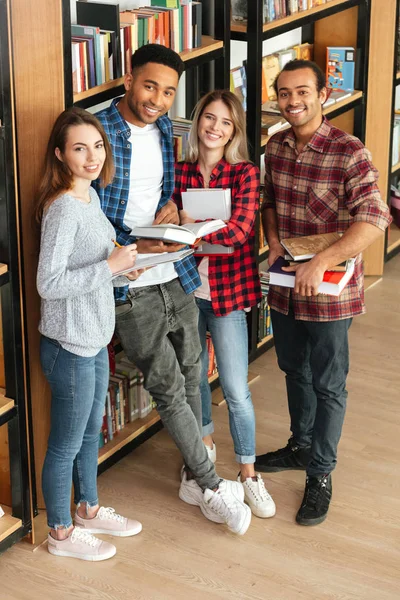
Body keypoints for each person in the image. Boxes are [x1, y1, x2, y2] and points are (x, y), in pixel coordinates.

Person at [93, 44, 251, 535]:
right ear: (127, 79)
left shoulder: (165, 129)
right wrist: (121, 250)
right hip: (130, 283)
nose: (158, 99)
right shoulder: (96, 132)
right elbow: (82, 206)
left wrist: (167, 208)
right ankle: (209, 485)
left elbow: (162, 191)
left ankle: (192, 480)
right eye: (149, 86)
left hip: (175, 271)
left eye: (168, 92)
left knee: (191, 375)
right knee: (166, 386)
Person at [255, 59, 391, 526]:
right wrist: (272, 241)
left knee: (328, 382)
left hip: (331, 290)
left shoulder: (350, 152)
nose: (292, 101)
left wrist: (321, 262)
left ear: (323, 94)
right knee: (293, 368)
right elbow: (268, 201)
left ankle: (321, 472)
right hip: (286, 286)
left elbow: (375, 219)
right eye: (284, 93)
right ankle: (300, 445)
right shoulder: (274, 146)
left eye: (302, 92)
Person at [36, 107, 147, 560]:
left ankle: (88, 507)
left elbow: (96, 271)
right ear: (61, 155)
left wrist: (124, 272)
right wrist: (110, 266)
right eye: (79, 148)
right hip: (70, 346)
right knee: (65, 443)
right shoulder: (63, 208)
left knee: (87, 436)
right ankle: (60, 534)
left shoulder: (90, 198)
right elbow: (49, 283)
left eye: (97, 146)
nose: (92, 156)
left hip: (95, 337)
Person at [173, 90, 276, 519]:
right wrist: (182, 225)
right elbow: (167, 222)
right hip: (186, 290)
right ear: (198, 122)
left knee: (234, 388)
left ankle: (249, 473)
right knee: (193, 378)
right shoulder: (180, 171)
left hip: (229, 294)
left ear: (235, 131)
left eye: (225, 122)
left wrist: (189, 229)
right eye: (209, 119)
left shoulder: (245, 174)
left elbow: (240, 232)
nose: (215, 128)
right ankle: (206, 450)